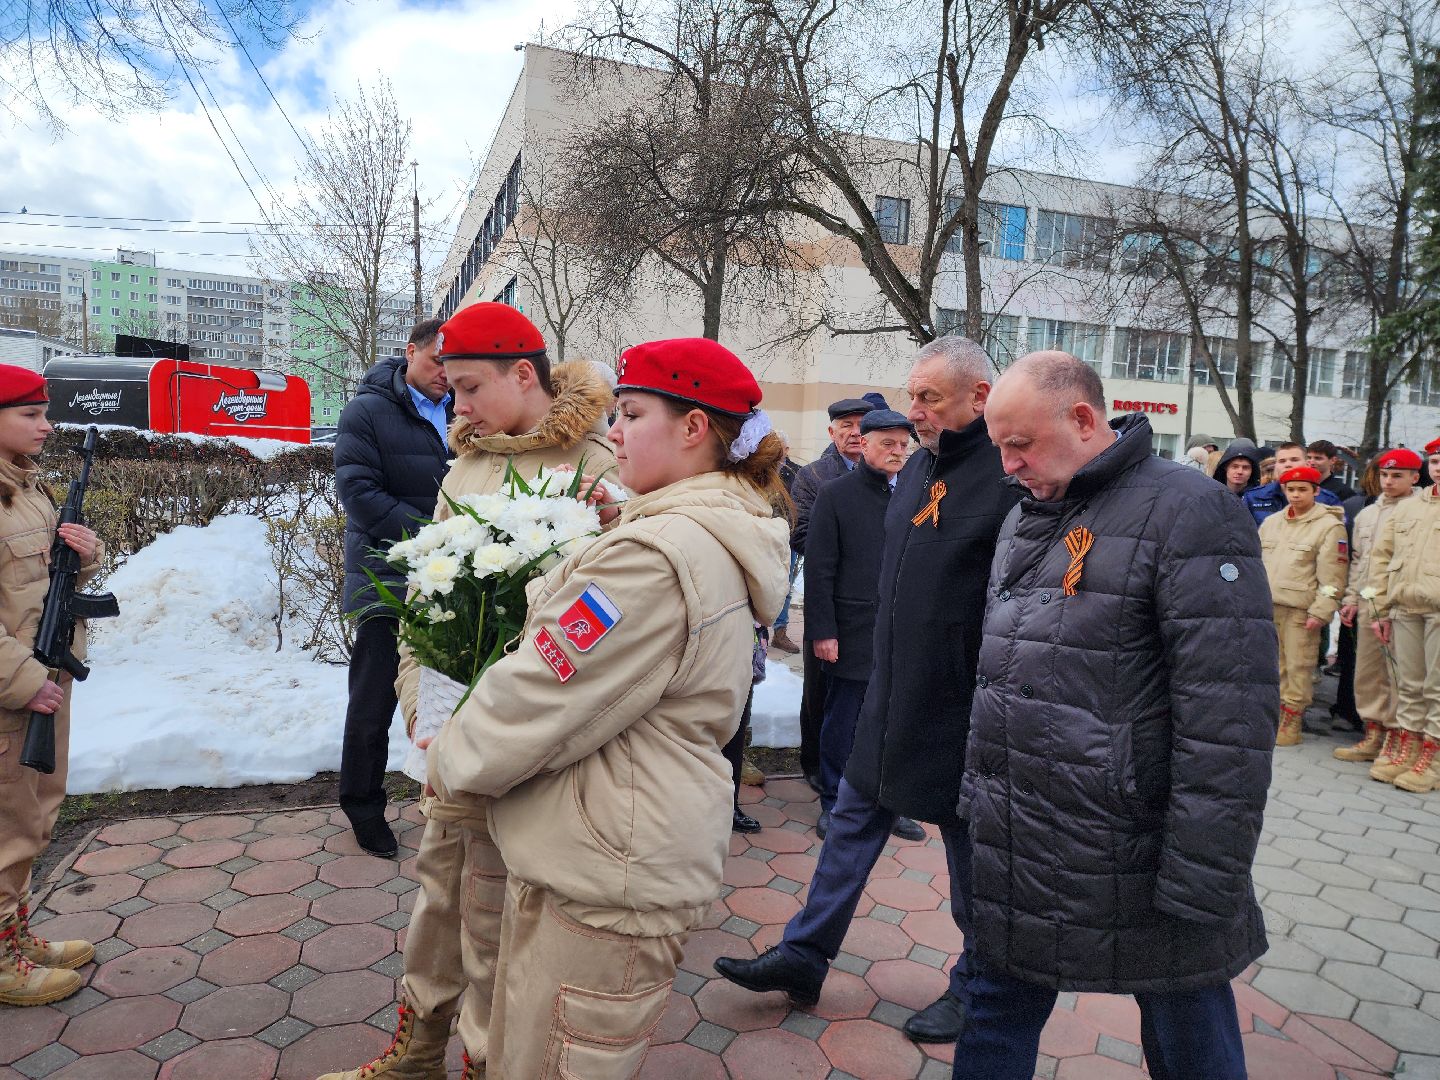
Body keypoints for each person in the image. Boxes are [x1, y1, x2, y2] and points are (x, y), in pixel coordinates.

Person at [426, 337, 789, 1079]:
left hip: (609, 868)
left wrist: (449, 759)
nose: (613, 431)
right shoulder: (689, 529)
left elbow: (543, 689)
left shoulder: (657, 556)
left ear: (694, 429)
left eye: (631, 413)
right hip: (614, 846)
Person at [957, 351, 1274, 1080]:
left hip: (1138, 849)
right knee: (994, 1009)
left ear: (1082, 418)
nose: (1007, 465)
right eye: (999, 445)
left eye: (1020, 444)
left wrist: (1204, 875)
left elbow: (1229, 715)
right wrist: (979, 798)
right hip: (1020, 838)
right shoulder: (1027, 513)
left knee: (1187, 1024)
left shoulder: (1190, 510)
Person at [322, 304, 614, 1080]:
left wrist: (515, 725)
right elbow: (426, 602)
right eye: (450, 389)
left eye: (471, 387)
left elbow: (600, 628)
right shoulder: (465, 468)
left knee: (501, 924)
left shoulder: (597, 470)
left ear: (524, 373)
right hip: (456, 741)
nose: (458, 407)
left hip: (532, 751)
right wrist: (426, 707)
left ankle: (484, 1060)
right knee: (440, 900)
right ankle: (417, 1052)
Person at [716, 337, 1020, 1046]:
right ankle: (804, 956)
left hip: (961, 709)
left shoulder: (1008, 481)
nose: (913, 412)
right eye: (912, 396)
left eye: (929, 399)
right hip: (890, 695)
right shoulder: (916, 472)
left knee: (970, 860)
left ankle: (977, 988)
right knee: (850, 827)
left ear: (980, 397)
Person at [0, 365, 104, 1007]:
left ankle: (14, 933)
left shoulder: (27, 489)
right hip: (15, 692)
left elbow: (42, 582)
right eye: (30, 414)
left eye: (45, 412)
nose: (46, 425)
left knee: (35, 815)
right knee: (7, 825)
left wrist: (84, 555)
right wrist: (23, 680)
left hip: (45, 679)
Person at [334, 319, 453, 858]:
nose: (446, 375)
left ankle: (445, 798)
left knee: (446, 693)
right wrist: (441, 537)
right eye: (437, 362)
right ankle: (363, 807)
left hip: (452, 578)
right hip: (386, 577)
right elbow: (360, 493)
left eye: (454, 366)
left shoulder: (464, 411)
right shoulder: (367, 411)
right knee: (374, 697)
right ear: (410, 352)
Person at [802, 409, 912, 834]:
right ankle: (834, 800)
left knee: (892, 722)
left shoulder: (917, 493)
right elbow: (820, 568)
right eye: (887, 443)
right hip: (851, 630)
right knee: (844, 721)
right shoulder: (836, 494)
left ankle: (886, 802)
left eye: (903, 444)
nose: (897, 451)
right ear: (864, 444)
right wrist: (823, 631)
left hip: (900, 632)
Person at [789, 399, 873, 796]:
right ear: (832, 432)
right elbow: (799, 532)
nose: (855, 432)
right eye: (846, 424)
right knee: (820, 685)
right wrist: (856, 546)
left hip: (873, 600)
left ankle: (855, 767)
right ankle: (814, 763)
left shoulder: (890, 473)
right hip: (828, 594)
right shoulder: (813, 476)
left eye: (861, 424)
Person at [1365, 437, 1440, 794]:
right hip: (1406, 606)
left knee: (1436, 688)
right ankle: (1409, 749)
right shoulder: (1409, 508)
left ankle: (1433, 760)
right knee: (1409, 685)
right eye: (1435, 461)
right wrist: (1379, 609)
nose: (1439, 468)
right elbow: (1382, 558)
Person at [1336, 449, 1421, 763]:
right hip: (1368, 600)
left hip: (1400, 602)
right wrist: (1351, 598)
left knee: (1398, 673)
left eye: (1397, 475)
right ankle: (1373, 733)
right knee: (1368, 671)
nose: (1388, 481)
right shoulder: (1368, 514)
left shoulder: (1420, 512)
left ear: (1415, 477)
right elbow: (1359, 561)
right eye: (1385, 474)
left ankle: (1397, 737)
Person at [1258, 466, 1348, 747]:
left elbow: (1334, 575)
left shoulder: (1329, 526)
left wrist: (1322, 610)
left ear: (1316, 491)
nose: (1296, 495)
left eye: (1302, 489)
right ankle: (1272, 714)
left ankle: (1292, 719)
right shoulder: (1272, 522)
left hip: (1301, 609)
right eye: (1290, 489)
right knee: (1271, 665)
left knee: (1298, 665)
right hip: (1268, 605)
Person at [1242, 441, 1343, 525]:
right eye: (1282, 461)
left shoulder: (1328, 500)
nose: (1288, 464)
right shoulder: (1253, 497)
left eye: (1294, 460)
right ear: (1276, 465)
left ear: (1307, 464)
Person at [770, 431, 802, 654]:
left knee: (785, 587)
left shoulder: (797, 472)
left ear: (787, 449)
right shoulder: (758, 470)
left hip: (788, 538)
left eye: (779, 445)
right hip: (762, 538)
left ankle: (780, 632)